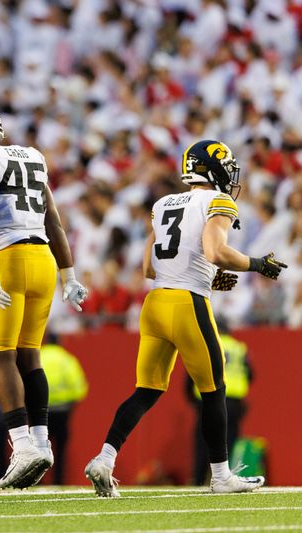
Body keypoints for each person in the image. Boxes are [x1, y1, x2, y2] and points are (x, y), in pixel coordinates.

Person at [85, 140, 286, 497]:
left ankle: (105, 457)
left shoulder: (163, 204)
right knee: (214, 391)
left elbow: (149, 267)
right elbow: (215, 251)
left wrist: (205, 274)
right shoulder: (217, 200)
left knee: (145, 391)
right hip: (186, 303)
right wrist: (258, 264)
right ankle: (221, 475)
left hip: (155, 302)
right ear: (213, 168)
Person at [0, 100, 88, 489]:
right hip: (43, 259)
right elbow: (54, 221)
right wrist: (69, 275)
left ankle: (24, 445)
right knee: (30, 354)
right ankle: (42, 443)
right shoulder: (31, 155)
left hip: (6, 257)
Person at [186, 320, 253, 485]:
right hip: (233, 402)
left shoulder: (206, 344)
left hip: (208, 399)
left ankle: (199, 479)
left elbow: (191, 374)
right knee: (230, 440)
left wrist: (194, 401)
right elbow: (250, 374)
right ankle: (227, 478)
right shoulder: (238, 348)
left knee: (203, 441)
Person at [40, 335, 88, 485]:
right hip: (62, 411)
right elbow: (79, 388)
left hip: (40, 411)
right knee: (60, 450)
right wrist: (69, 402)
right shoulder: (66, 359)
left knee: (39, 447)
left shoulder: (39, 357)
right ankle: (58, 481)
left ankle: (38, 481)